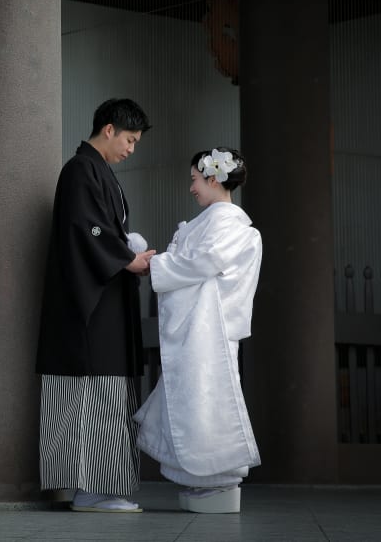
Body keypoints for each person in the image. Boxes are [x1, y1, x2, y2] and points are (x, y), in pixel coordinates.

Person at [36, 97, 156, 513]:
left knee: (105, 389)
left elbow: (100, 230)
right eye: (130, 139)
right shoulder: (79, 170)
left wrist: (128, 254)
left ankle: (100, 487)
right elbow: (84, 229)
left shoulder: (95, 171)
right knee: (92, 389)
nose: (131, 149)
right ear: (109, 129)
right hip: (88, 307)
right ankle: (92, 489)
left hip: (104, 300)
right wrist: (128, 258)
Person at [134, 147, 263, 514]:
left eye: (194, 179)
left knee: (208, 398)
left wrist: (155, 264)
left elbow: (203, 262)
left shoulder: (227, 224)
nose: (191, 188)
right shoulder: (215, 222)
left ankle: (218, 477)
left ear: (212, 178)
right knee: (195, 396)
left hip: (210, 329)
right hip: (203, 327)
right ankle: (204, 479)